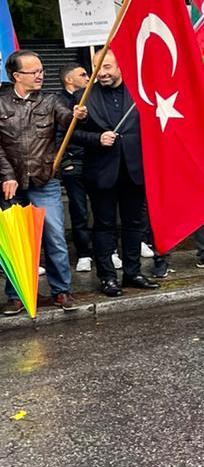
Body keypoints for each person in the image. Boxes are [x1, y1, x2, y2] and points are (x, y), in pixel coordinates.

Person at [0, 51, 86, 314]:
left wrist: (77, 114)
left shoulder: (50, 101)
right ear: (17, 76)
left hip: (44, 181)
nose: (40, 75)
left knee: (55, 237)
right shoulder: (1, 104)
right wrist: (7, 176)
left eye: (41, 71)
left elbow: (67, 118)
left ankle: (62, 291)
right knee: (17, 241)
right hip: (11, 185)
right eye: (34, 72)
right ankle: (17, 295)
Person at [71, 51, 159, 297]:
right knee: (103, 226)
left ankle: (132, 273)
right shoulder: (83, 96)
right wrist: (97, 138)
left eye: (107, 66)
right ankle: (107, 278)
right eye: (97, 67)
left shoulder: (140, 92)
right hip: (101, 172)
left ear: (120, 66)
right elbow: (71, 134)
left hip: (134, 170)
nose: (101, 73)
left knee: (134, 225)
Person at [58, 63, 94, 274]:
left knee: (102, 208)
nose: (88, 77)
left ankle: (108, 251)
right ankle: (84, 253)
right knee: (79, 210)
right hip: (73, 162)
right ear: (69, 79)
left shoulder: (93, 98)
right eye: (83, 74)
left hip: (96, 161)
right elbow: (55, 135)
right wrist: (65, 162)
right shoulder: (58, 102)